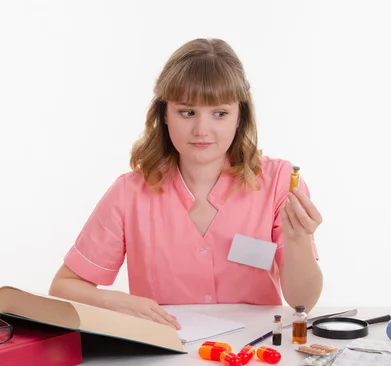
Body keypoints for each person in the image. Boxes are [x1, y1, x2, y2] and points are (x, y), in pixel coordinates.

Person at [49, 38, 324, 329]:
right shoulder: (129, 194)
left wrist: (298, 242)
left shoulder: (278, 183)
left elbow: (301, 302)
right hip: (164, 356)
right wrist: (118, 301)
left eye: (219, 113)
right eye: (187, 112)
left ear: (239, 116)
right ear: (164, 114)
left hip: (252, 356)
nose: (201, 130)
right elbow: (64, 286)